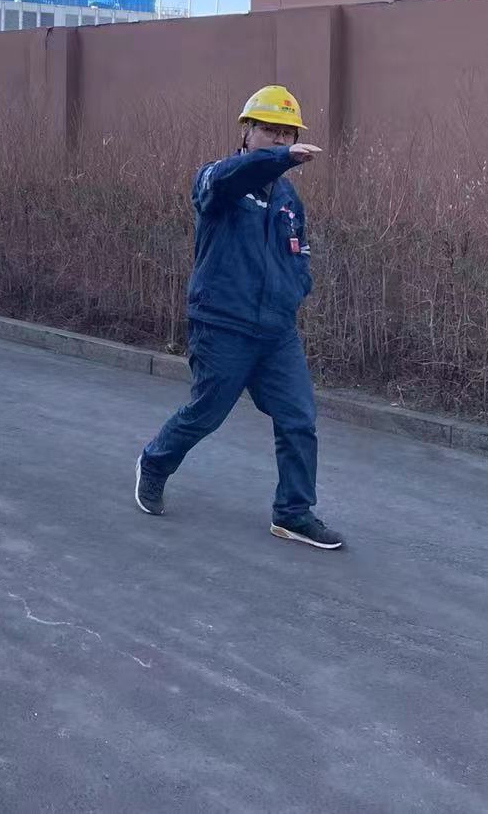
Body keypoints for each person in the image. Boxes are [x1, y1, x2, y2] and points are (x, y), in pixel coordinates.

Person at [134, 85, 344, 551]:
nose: (280, 139)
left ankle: (293, 513)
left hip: (276, 331)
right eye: (270, 130)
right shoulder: (218, 181)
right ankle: (155, 462)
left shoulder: (287, 198)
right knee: (206, 413)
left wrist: (297, 287)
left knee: (298, 418)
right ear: (246, 131)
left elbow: (300, 251)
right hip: (223, 325)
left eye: (287, 133)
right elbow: (235, 176)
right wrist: (280, 158)